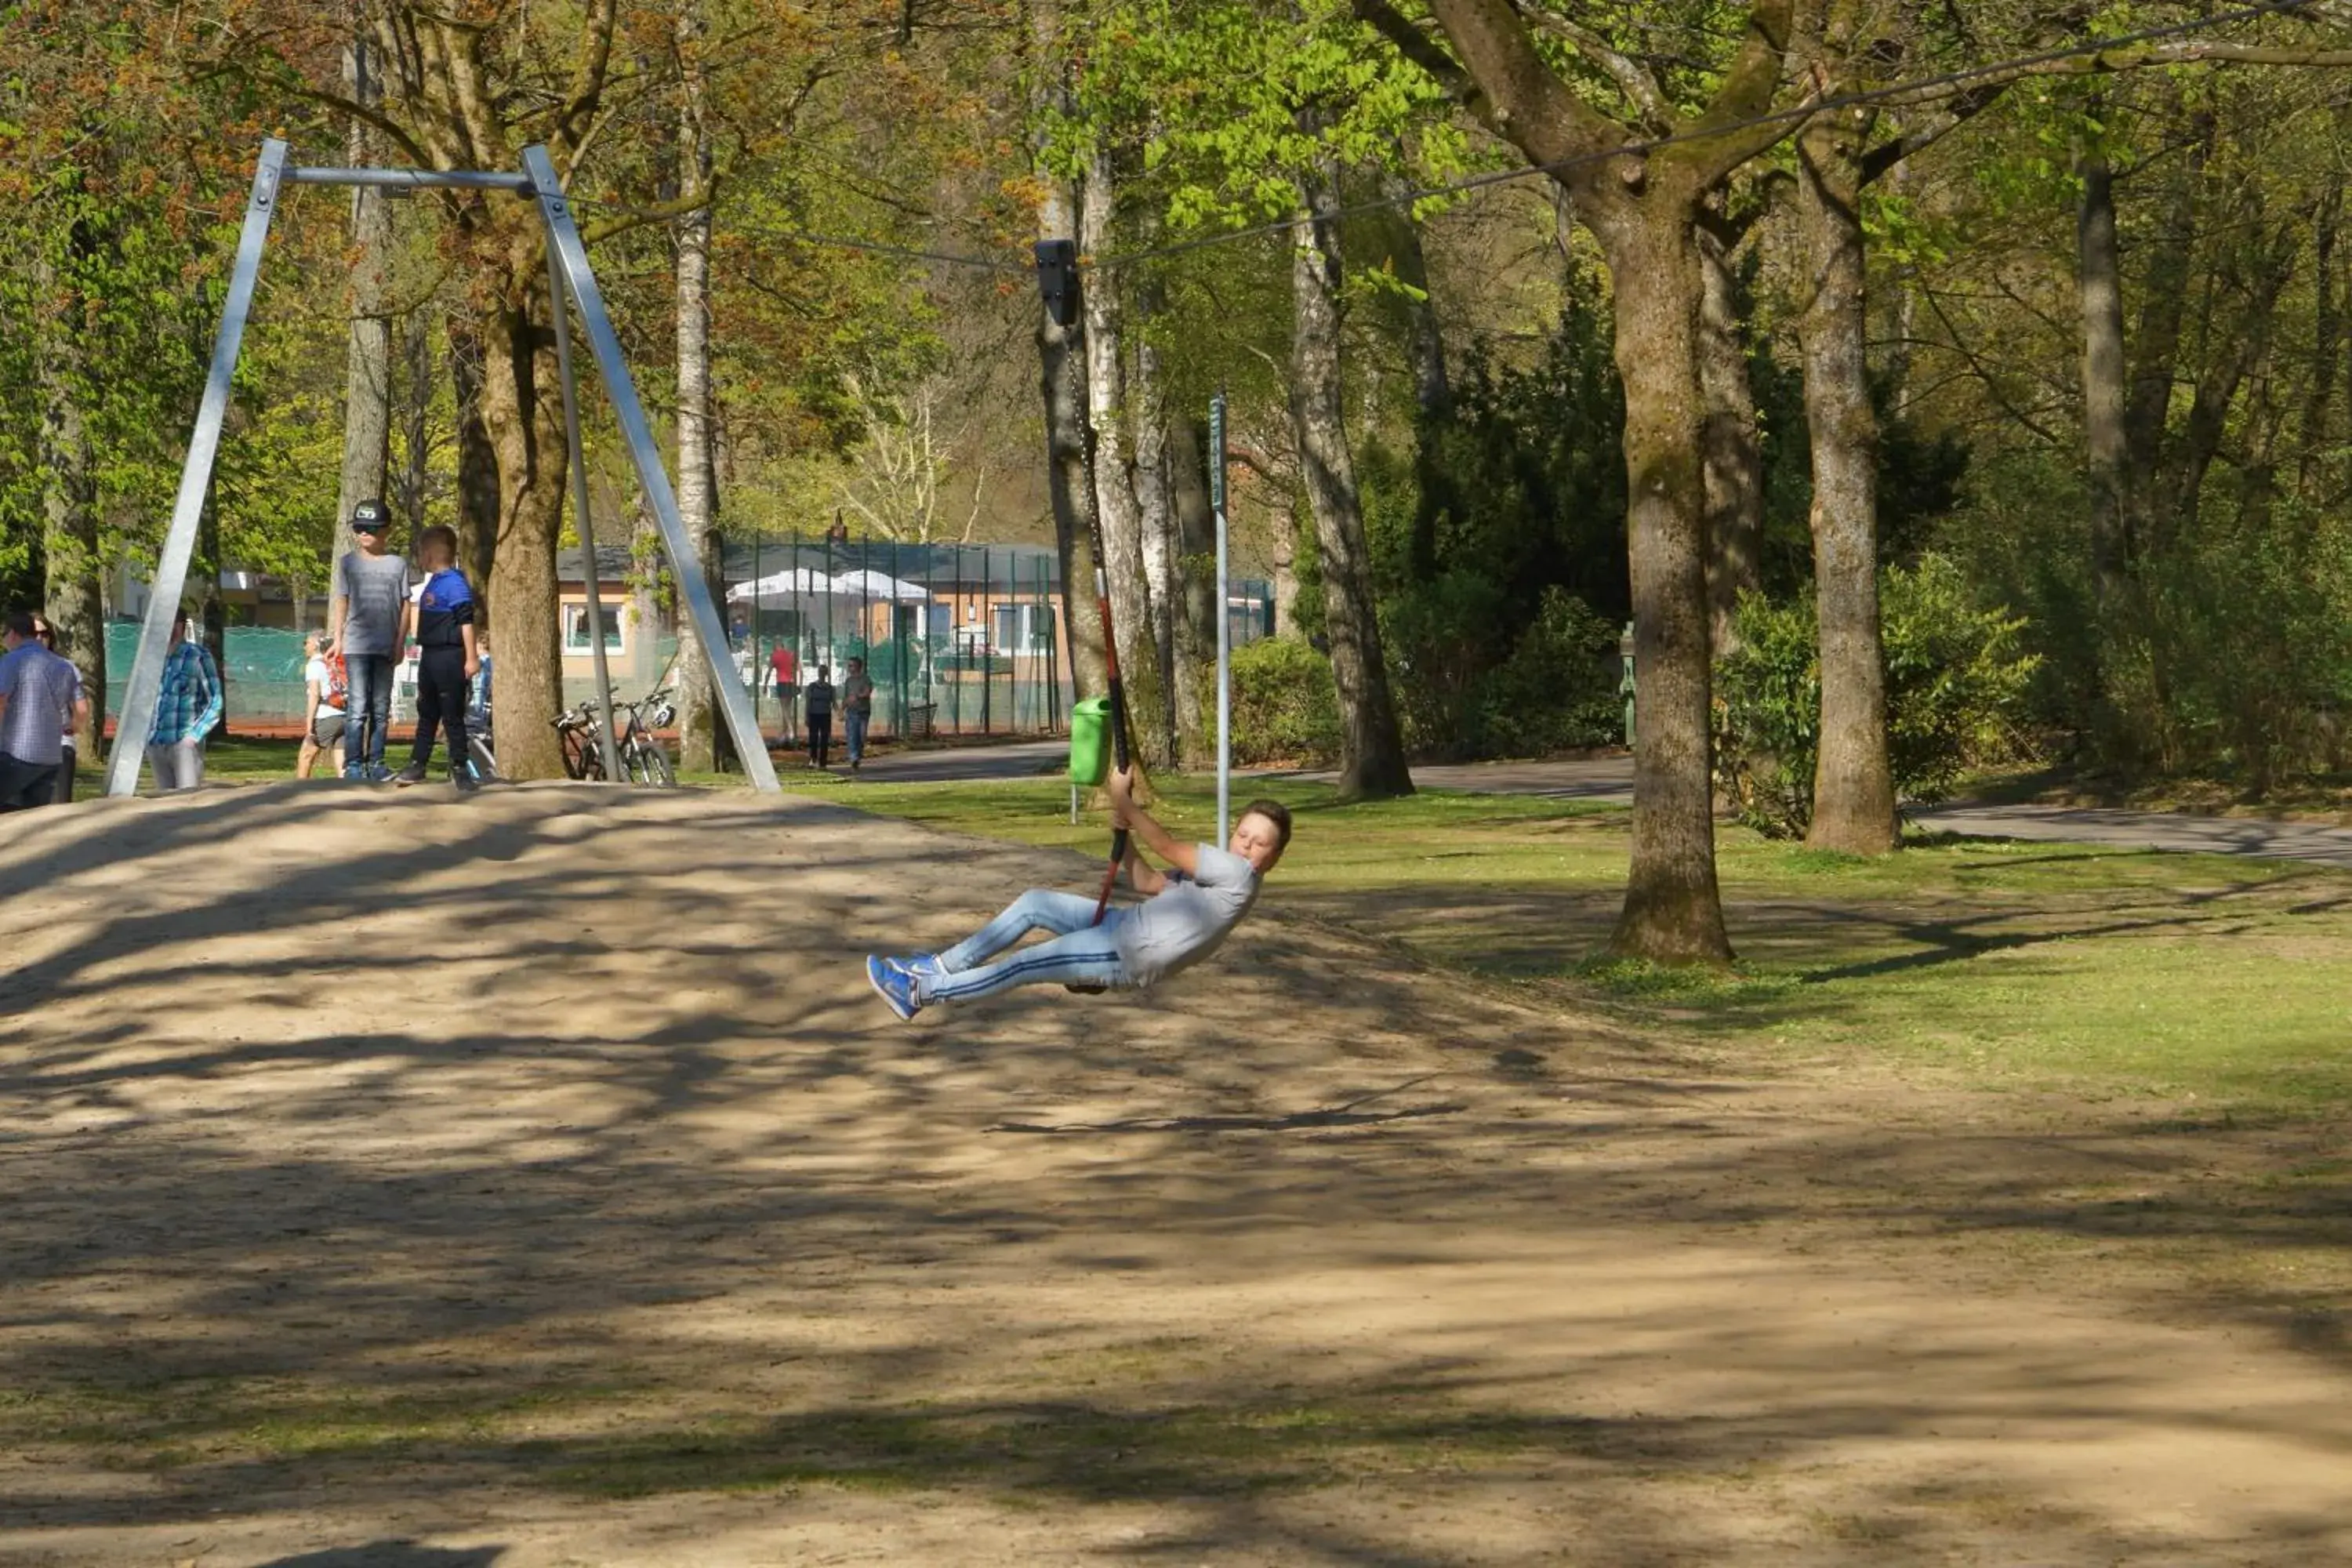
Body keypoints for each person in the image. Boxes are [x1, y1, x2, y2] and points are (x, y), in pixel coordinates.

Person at [865, 769, 1291, 1020]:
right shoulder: (1220, 877)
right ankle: (936, 966)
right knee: (1034, 903)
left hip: (1125, 953)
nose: (1247, 845)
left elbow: (1167, 845)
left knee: (1022, 965)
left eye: (1260, 843)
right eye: (1243, 834)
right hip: (1118, 928)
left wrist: (1123, 800)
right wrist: (1123, 840)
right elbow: (1148, 883)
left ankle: (920, 993)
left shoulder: (1239, 875)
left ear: (1272, 859)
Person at [328, 498, 412, 782]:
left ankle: (376, 762)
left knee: (380, 708)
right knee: (357, 708)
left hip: (386, 646)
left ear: (386, 531)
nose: (364, 533)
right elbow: (342, 601)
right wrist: (338, 639)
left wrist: (401, 642)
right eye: (360, 528)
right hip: (356, 646)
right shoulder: (348, 563)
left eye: (371, 528)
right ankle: (354, 765)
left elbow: (405, 606)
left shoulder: (397, 565)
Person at [393, 524, 481, 792]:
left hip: (450, 656)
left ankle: (459, 767)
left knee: (451, 714)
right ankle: (418, 764)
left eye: (421, 553)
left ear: (430, 554)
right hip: (430, 656)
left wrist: (472, 657)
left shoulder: (455, 583)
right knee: (427, 712)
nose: (419, 558)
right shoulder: (435, 581)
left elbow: (466, 621)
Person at [0, 609, 88, 811]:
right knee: (33, 814)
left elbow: (1, 701)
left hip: (16, 754)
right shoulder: (65, 666)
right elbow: (81, 710)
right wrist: (72, 729)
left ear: (13, 634)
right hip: (51, 758)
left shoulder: (12, 661)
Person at [147, 607, 223, 791]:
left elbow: (215, 700)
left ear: (179, 627)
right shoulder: (154, 660)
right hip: (157, 744)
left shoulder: (198, 656)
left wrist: (193, 737)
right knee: (165, 810)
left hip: (184, 744)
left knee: (188, 803)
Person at [30, 615, 81, 803]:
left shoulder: (66, 668)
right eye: (33, 634)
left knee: (58, 808)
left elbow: (79, 708)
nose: (39, 638)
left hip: (59, 747)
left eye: (44, 634)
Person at [296, 631, 347, 780]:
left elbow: (314, 694)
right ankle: (347, 791)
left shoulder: (314, 665)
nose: (304, 647)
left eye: (307, 643)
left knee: (306, 753)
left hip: (326, 716)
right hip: (344, 715)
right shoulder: (334, 663)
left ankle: (299, 790)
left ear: (316, 645)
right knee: (341, 760)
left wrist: (309, 724)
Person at [840, 655, 875, 774]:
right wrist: (842, 709)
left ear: (858, 667)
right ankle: (854, 758)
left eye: (852, 665)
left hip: (863, 712)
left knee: (861, 736)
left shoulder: (865, 679)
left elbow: (867, 691)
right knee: (852, 736)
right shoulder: (848, 681)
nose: (849, 668)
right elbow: (846, 697)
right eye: (849, 666)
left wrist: (858, 696)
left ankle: (858, 755)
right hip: (851, 712)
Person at [803, 663, 835, 768]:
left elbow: (833, 702)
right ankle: (813, 758)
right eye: (820, 672)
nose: (821, 674)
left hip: (825, 715)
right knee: (813, 738)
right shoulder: (812, 687)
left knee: (825, 738)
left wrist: (840, 712)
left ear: (826, 674)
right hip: (814, 715)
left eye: (824, 672)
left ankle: (823, 761)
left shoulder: (830, 688)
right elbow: (808, 702)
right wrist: (807, 716)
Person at [769, 641, 798, 744]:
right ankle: (784, 733)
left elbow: (769, 671)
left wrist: (765, 684)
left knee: (784, 708)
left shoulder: (775, 655)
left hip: (782, 682)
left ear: (776, 646)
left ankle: (790, 730)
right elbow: (795, 669)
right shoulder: (790, 654)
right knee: (787, 708)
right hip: (791, 682)